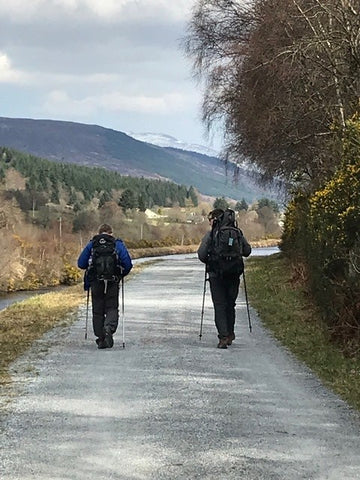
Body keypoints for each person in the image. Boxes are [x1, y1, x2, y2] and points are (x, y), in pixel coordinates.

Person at [198, 209, 252, 349]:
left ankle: (222, 337)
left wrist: (212, 260)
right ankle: (230, 334)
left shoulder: (211, 234)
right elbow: (247, 251)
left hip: (216, 275)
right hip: (234, 274)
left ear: (215, 220)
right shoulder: (237, 233)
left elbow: (202, 255)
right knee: (230, 304)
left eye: (210, 219)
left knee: (220, 306)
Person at [77, 223, 133, 349]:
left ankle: (101, 338)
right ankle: (109, 328)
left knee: (97, 310)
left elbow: (81, 263)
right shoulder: (117, 244)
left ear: (99, 232)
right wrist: (120, 274)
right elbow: (128, 264)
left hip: (96, 281)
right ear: (111, 233)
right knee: (112, 307)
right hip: (112, 280)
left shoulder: (92, 244)